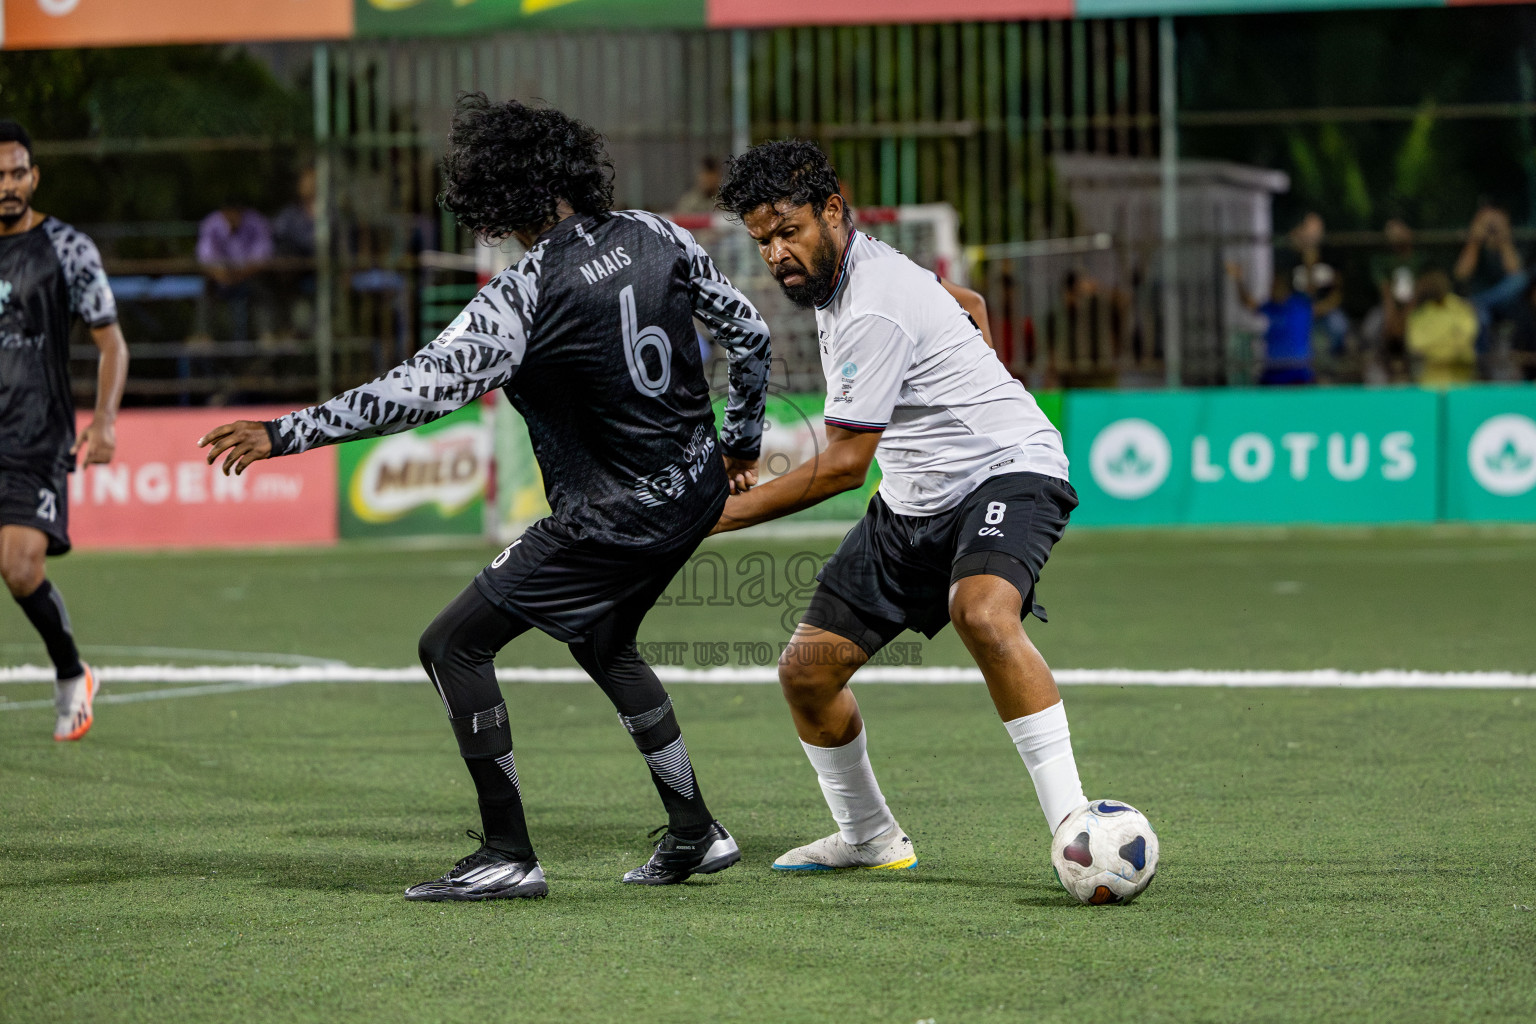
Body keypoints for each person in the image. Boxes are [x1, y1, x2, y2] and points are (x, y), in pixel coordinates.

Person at [199, 95, 771, 900]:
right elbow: (749, 332)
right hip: (694, 491)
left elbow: (416, 395)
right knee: (606, 642)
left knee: (453, 645)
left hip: (613, 519)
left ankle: (508, 852)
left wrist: (285, 433)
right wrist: (740, 442)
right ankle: (695, 831)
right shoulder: (660, 232)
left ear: (503, 195)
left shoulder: (522, 294)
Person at [710, 139, 1089, 874]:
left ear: (831, 210)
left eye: (789, 232)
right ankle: (869, 838)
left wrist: (714, 518)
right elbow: (969, 304)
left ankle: (1077, 826)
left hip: (1008, 472)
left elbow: (843, 468)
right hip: (913, 499)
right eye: (764, 242)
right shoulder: (857, 270)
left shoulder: (871, 305)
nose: (778, 254)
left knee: (981, 611)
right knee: (807, 673)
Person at [0, 120, 129, 741]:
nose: (7, 185)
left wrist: (103, 422)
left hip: (37, 436)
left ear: (34, 176)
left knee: (20, 569)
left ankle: (72, 673)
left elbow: (112, 345)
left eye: (17, 172)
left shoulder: (68, 248)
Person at [195, 202, 274, 341]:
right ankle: (203, 336)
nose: (233, 215)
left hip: (249, 275)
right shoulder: (212, 223)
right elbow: (205, 257)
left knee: (263, 287)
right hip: (221, 277)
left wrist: (240, 274)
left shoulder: (256, 222)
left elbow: (263, 256)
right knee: (208, 288)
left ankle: (266, 335)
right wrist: (221, 274)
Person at [1228, 263, 1315, 385]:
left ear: (1285, 288)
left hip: (1297, 368)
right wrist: (1238, 280)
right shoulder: (1270, 306)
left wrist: (1309, 257)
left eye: (1275, 286)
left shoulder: (1299, 305)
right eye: (1271, 286)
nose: (1271, 289)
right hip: (1273, 369)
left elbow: (1312, 288)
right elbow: (1247, 303)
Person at [1454, 204, 1527, 350]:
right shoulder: (1471, 244)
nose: (1492, 227)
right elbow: (1461, 274)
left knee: (1520, 281)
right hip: (1474, 300)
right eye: (1487, 223)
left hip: (1507, 303)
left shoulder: (1513, 243)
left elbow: (1515, 274)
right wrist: (1475, 241)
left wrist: (1504, 240)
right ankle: (1482, 365)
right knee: (1481, 318)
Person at [1406, 270, 1478, 385]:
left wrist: (1435, 348)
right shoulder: (1419, 315)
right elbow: (1416, 344)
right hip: (1430, 384)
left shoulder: (1461, 307)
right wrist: (1451, 337)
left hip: (1462, 380)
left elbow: (1467, 337)